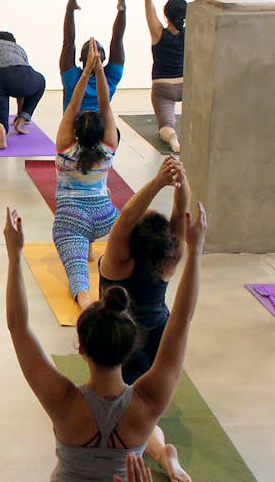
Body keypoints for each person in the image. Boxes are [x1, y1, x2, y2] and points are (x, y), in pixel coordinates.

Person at [4, 200, 207, 482]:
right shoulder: (147, 403)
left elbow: (18, 327)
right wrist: (195, 252)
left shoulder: (63, 403)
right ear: (130, 347)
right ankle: (164, 454)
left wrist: (15, 257)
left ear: (82, 348)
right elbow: (181, 321)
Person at [100, 157, 192, 481]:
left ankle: (160, 451)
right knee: (146, 403)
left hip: (121, 342)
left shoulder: (116, 261)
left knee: (127, 411)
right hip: (159, 339)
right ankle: (162, 449)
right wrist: (180, 181)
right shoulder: (167, 260)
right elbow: (182, 216)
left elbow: (126, 216)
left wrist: (158, 182)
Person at [53, 40, 120, 310]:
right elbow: (106, 105)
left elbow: (72, 105)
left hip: (72, 218)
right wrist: (100, 71)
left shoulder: (65, 149)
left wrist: (85, 73)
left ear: (76, 131)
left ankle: (84, 299)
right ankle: (101, 257)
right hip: (107, 217)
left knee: (77, 272)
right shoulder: (109, 149)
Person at [138, 0, 190, 153]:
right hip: (186, 83)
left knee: (166, 127)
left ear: (165, 13)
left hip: (163, 88)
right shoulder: (191, 31)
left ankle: (173, 139)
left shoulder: (158, 33)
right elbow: (203, 8)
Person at [60, 0, 127, 113]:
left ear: (80, 58)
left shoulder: (72, 79)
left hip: (75, 126)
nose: (93, 46)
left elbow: (68, 43)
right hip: (99, 126)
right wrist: (122, 12)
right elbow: (117, 41)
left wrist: (69, 12)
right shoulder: (111, 78)